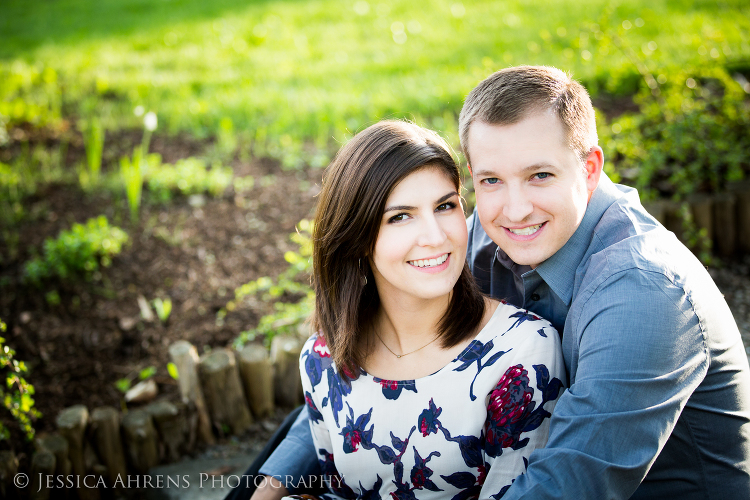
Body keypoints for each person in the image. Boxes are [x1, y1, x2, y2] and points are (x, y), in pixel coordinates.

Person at [230, 66, 750, 499]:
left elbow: (567, 485)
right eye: (491, 181)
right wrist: (271, 485)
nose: (515, 208)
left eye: (540, 175)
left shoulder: (645, 294)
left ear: (589, 169)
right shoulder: (481, 232)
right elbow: (354, 379)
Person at [302, 120, 564, 498]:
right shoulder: (322, 359)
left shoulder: (523, 353)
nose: (436, 236)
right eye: (400, 216)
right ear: (356, 238)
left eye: (445, 206)